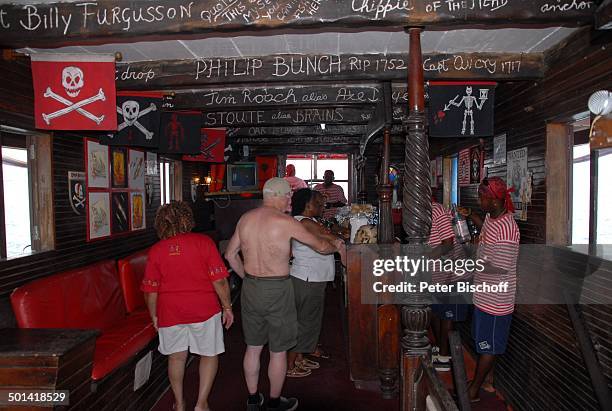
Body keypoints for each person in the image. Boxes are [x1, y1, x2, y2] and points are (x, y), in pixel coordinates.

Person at [225, 178, 343, 411]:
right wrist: (337, 245)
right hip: (278, 288)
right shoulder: (285, 222)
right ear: (277, 196)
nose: (291, 199)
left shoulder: (245, 219)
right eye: (288, 195)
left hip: (251, 288)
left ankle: (252, 399)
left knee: (253, 347)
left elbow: (230, 255)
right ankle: (274, 402)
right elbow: (320, 246)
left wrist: (247, 278)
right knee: (278, 350)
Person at [141, 201, 234, 411]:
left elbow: (150, 290)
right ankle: (201, 404)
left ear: (161, 224)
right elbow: (219, 280)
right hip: (204, 310)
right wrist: (227, 307)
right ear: (187, 218)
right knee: (209, 354)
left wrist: (154, 315)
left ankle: (180, 403)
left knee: (176, 357)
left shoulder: (156, 250)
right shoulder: (204, 242)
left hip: (171, 311)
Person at [458, 177, 520, 402]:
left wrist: (473, 254)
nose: (478, 201)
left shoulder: (507, 230)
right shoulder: (491, 218)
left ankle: (473, 390)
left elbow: (499, 269)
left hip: (496, 299)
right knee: (483, 342)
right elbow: (486, 229)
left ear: (493, 200)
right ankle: (488, 382)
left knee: (488, 347)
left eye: (481, 197)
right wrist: (471, 217)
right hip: (483, 295)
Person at [286, 189, 346, 378]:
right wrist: (337, 244)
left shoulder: (304, 221)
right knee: (304, 322)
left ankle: (299, 357)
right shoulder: (304, 221)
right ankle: (290, 366)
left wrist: (336, 242)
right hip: (308, 278)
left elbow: (327, 236)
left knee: (309, 321)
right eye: (318, 203)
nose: (322, 207)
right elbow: (326, 239)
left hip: (310, 278)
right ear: (307, 205)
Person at [428, 195, 467, 372]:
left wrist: (423, 258)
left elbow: (448, 243)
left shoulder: (436, 210)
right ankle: (439, 347)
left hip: (449, 271)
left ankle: (444, 357)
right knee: (436, 310)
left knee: (447, 314)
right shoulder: (422, 212)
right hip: (436, 271)